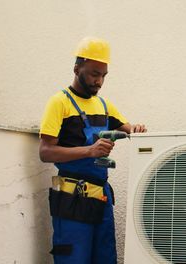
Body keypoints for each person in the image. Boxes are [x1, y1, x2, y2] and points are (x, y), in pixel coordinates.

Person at [39, 37, 146, 263]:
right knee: (74, 259)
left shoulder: (104, 106)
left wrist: (137, 129)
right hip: (71, 200)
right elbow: (46, 152)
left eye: (104, 76)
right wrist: (89, 151)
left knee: (105, 258)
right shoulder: (60, 103)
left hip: (101, 198)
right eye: (94, 74)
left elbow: (131, 130)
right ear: (77, 68)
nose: (99, 81)